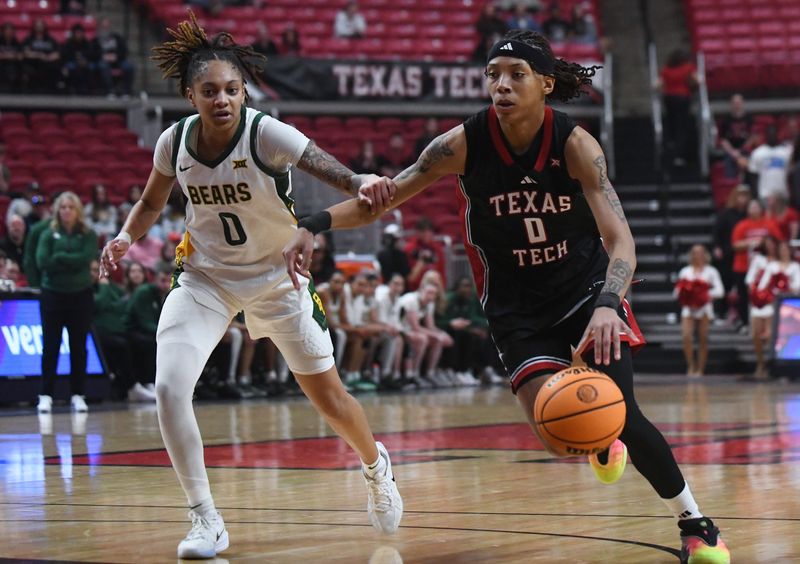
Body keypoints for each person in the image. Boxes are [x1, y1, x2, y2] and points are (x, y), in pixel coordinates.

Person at [284, 30, 730, 563]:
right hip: (515, 307)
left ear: (544, 83)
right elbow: (383, 200)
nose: (501, 85)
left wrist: (610, 302)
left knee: (626, 415)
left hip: (585, 291)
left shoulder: (576, 145)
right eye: (493, 74)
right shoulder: (462, 144)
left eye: (516, 75)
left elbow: (621, 240)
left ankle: (696, 522)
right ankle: (598, 436)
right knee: (554, 426)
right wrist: (313, 223)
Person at [99, 13, 401, 559]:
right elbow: (150, 202)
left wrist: (360, 181)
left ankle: (375, 465)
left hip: (278, 280)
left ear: (244, 91)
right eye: (210, 90)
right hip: (205, 279)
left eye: (232, 89)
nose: (223, 99)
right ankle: (205, 519)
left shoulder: (264, 132)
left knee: (331, 401)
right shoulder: (173, 142)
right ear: (191, 94)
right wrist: (124, 236)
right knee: (169, 388)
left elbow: (320, 163)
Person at [35, 192, 97, 414]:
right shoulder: (48, 234)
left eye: (71, 207)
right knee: (50, 346)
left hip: (80, 295)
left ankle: (78, 394)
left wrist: (60, 258)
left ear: (77, 210)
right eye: (63, 207)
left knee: (79, 347)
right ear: (57, 210)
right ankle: (46, 395)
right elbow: (43, 262)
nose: (67, 211)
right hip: (53, 294)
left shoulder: (88, 234)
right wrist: (71, 262)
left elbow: (87, 258)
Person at [730, 199, 784, 330]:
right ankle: (745, 322)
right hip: (743, 266)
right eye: (751, 207)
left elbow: (779, 241)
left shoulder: (769, 224)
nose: (754, 210)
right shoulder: (741, 225)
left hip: (766, 266)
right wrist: (754, 242)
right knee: (743, 295)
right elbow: (735, 245)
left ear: (761, 208)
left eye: (756, 207)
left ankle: (772, 324)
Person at [674, 245, 724, 377]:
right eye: (695, 253)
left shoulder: (711, 271)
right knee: (686, 336)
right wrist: (688, 293)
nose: (697, 255)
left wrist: (703, 293)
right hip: (689, 308)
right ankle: (691, 365)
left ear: (705, 254)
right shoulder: (685, 271)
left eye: (700, 252)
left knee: (703, 338)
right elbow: (677, 291)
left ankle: (701, 368)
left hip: (704, 308)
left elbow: (720, 291)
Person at [711, 184, 750, 321]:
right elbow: (717, 231)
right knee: (725, 283)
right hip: (727, 253)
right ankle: (721, 312)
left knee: (741, 287)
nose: (743, 199)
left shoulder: (748, 215)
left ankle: (741, 316)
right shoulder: (726, 214)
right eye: (740, 196)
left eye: (745, 196)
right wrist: (717, 246)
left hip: (743, 254)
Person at [656, 48, 697, 168]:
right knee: (682, 126)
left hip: (669, 98)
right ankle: (678, 154)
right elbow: (698, 80)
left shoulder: (666, 69)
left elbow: (657, 84)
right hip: (683, 98)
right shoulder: (688, 67)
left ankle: (670, 144)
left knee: (672, 124)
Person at [748, 125, 793, 201]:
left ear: (777, 134)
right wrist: (756, 195)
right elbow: (753, 176)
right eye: (770, 133)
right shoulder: (758, 153)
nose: (772, 135)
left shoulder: (786, 152)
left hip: (782, 193)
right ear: (766, 135)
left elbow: (790, 174)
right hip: (764, 194)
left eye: (774, 133)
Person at [717, 94, 754, 180]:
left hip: (745, 151)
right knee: (729, 163)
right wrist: (733, 152)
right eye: (735, 103)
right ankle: (731, 186)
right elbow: (723, 140)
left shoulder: (749, 118)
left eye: (739, 103)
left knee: (750, 163)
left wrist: (742, 150)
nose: (737, 105)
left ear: (742, 103)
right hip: (730, 152)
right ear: (731, 104)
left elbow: (752, 137)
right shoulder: (726, 120)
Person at [96, 17, 135, 97]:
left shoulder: (117, 37)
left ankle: (126, 92)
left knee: (129, 67)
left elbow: (124, 50)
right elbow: (94, 52)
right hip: (104, 60)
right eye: (104, 26)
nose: (106, 28)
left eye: (107, 26)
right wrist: (103, 57)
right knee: (102, 66)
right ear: (100, 27)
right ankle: (110, 91)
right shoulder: (96, 39)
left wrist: (116, 56)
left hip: (118, 60)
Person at [61, 23, 100, 95]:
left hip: (85, 63)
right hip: (72, 62)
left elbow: (91, 55)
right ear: (73, 34)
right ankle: (73, 89)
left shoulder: (87, 43)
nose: (79, 35)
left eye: (80, 33)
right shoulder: (68, 43)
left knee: (91, 67)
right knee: (71, 67)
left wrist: (85, 61)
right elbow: (65, 56)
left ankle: (89, 90)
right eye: (77, 33)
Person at [0, 22, 23, 93]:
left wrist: (6, 55)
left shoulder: (16, 41)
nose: (9, 33)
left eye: (11, 31)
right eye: (7, 31)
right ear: (3, 32)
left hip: (13, 64)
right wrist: (12, 55)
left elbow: (20, 56)